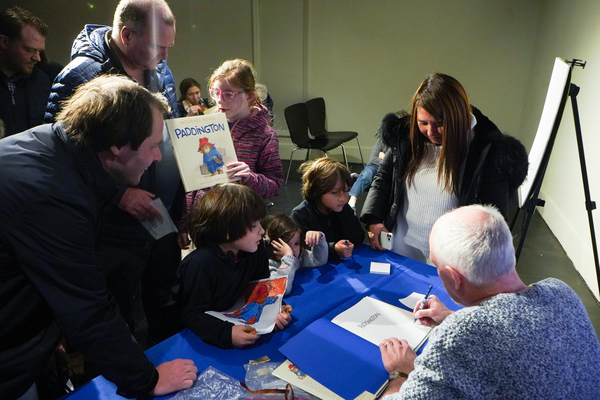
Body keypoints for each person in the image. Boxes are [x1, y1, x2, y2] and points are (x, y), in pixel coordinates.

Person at [0, 75, 197, 400]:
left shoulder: (54, 148)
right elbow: (87, 308)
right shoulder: (52, 196)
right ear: (117, 146)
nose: (158, 157)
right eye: (152, 146)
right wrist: (147, 379)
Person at [44, 0, 185, 344]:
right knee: (115, 314)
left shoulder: (160, 70)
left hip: (161, 211)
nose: (166, 56)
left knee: (166, 297)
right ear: (126, 35)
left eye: (169, 46)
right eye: (159, 46)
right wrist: (116, 194)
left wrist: (185, 197)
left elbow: (172, 136)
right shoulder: (82, 76)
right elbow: (58, 155)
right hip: (111, 224)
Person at [378, 204, 600, 399]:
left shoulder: (461, 334)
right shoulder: (561, 290)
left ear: (454, 278)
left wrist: (401, 372)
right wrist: (451, 317)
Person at [361, 73, 528, 264]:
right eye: (423, 123)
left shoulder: (487, 151)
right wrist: (373, 220)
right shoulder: (404, 138)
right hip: (400, 253)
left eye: (440, 124)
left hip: (451, 262)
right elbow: (383, 179)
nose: (430, 132)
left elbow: (492, 220)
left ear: (458, 117)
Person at [177, 183, 292, 349]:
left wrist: (277, 307)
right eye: (254, 226)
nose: (262, 231)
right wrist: (226, 333)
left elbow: (261, 285)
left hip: (238, 315)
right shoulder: (200, 264)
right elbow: (192, 314)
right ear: (228, 230)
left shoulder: (255, 248)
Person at [291, 157, 365, 261]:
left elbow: (358, 238)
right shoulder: (301, 215)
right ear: (317, 190)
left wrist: (345, 216)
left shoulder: (343, 208)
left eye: (346, 191)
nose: (342, 198)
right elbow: (299, 251)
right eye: (334, 193)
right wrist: (333, 249)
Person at [0, 6, 50, 138]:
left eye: (40, 51)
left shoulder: (43, 82)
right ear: (4, 42)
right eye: (29, 50)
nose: (37, 58)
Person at [262, 213, 328, 295]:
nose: (293, 249)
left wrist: (318, 239)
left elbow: (318, 260)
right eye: (287, 245)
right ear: (273, 245)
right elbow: (281, 289)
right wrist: (288, 258)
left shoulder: (299, 256)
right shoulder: (269, 265)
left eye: (297, 243)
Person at [348, 137, 387, 211]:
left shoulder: (399, 145)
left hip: (387, 169)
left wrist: (384, 158)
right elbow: (373, 159)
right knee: (367, 176)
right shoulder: (381, 141)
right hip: (374, 166)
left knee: (379, 185)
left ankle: (357, 178)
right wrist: (386, 160)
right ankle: (351, 202)